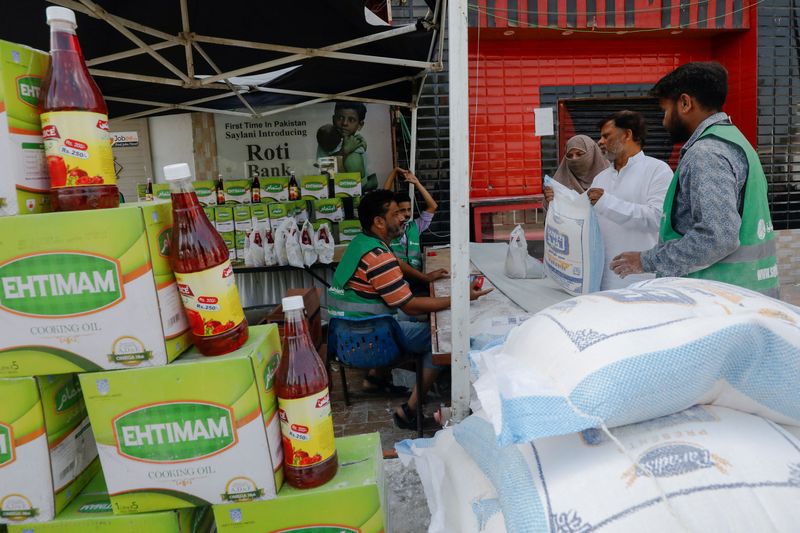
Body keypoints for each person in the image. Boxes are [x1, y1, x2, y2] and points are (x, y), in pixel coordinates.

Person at [610, 62, 780, 297]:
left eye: (665, 110)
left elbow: (717, 238)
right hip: (745, 295)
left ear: (685, 103)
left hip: (720, 302)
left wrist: (645, 260)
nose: (663, 120)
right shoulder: (736, 141)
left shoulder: (706, 153)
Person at [328, 190, 492, 430]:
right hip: (367, 337)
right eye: (397, 214)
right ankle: (409, 410)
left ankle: (376, 378)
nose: (403, 218)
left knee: (428, 315)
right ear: (379, 221)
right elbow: (411, 306)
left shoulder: (362, 243)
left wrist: (425, 278)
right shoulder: (378, 257)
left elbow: (396, 263)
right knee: (439, 339)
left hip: (346, 331)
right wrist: (459, 298)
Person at [590, 110, 672, 290]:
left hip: (642, 281)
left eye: (606, 136)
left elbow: (657, 218)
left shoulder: (658, 170)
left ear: (627, 134)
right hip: (602, 280)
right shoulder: (600, 179)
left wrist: (606, 203)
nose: (600, 142)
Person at [383, 168, 441, 289]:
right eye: (402, 210)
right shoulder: (388, 229)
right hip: (397, 281)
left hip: (417, 279)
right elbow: (383, 199)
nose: (407, 214)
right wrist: (393, 172)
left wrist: (417, 183)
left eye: (409, 209)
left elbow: (433, 206)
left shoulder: (415, 226)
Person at [543, 134, 609, 206]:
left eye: (579, 154)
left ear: (592, 154)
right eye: (569, 156)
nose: (574, 159)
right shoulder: (559, 184)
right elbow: (551, 214)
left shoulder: (611, 178)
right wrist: (549, 201)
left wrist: (604, 200)